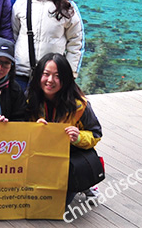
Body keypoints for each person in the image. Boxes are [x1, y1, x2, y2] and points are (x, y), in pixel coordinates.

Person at [27, 53, 102, 204]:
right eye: (46, 74)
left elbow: (96, 133)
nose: (50, 80)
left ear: (66, 78)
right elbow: (18, 128)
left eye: (57, 76)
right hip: (38, 153)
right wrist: (33, 129)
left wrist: (78, 137)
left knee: (60, 204)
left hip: (68, 155)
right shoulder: (29, 99)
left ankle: (86, 183)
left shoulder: (79, 105)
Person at [12, 0, 85, 90]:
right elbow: (14, 36)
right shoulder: (21, 4)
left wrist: (69, 75)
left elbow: (76, 43)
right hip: (21, 74)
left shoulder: (67, 7)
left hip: (51, 77)